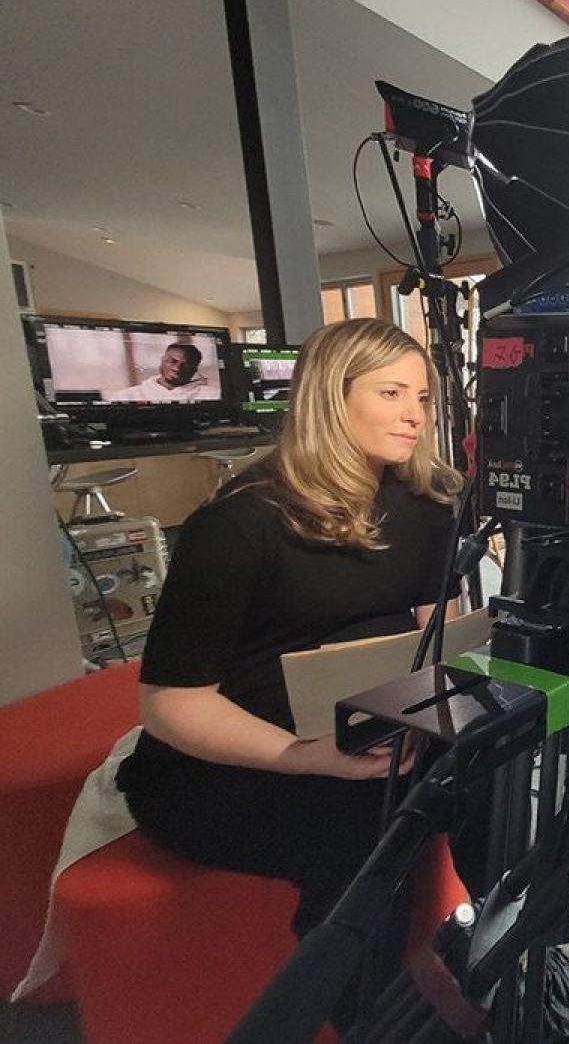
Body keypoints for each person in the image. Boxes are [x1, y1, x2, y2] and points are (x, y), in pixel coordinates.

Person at [114, 318, 466, 1025]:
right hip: (228, 763)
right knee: (367, 831)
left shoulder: (428, 502)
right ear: (331, 398)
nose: (414, 415)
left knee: (495, 779)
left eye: (422, 397)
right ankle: (366, 1020)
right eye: (392, 392)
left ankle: (486, 973)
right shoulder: (239, 523)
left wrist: (445, 718)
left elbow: (441, 631)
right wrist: (309, 758)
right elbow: (172, 705)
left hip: (366, 725)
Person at [105, 341, 213, 401]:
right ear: (162, 360)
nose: (176, 368)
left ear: (194, 369)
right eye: (172, 361)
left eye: (185, 365)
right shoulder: (127, 396)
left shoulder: (211, 395)